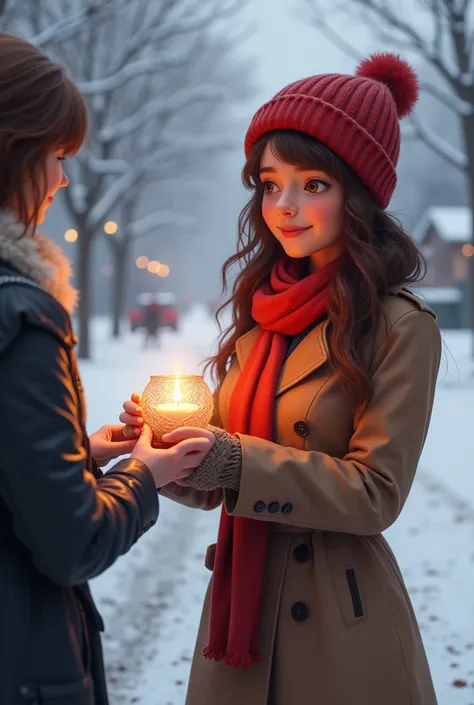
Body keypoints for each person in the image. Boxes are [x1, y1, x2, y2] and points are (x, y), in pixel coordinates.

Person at [123, 53, 442, 704]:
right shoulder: (262, 316)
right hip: (240, 625)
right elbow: (224, 474)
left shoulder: (400, 326)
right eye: (270, 185)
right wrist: (177, 450)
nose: (284, 206)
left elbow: (376, 492)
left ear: (359, 193)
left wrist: (232, 461)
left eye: (312, 184)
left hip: (339, 629)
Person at [0, 33, 215, 705]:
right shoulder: (23, 315)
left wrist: (77, 459)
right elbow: (73, 542)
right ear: (17, 152)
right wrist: (145, 473)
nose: (63, 180)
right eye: (58, 156)